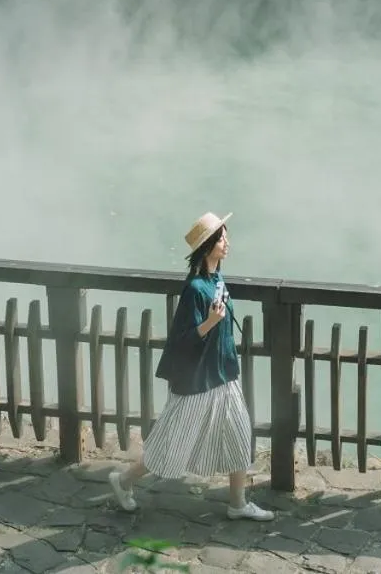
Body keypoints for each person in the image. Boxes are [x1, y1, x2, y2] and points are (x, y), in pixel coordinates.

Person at [107, 212, 274, 521]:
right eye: (222, 238)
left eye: (226, 236)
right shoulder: (195, 288)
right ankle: (124, 480)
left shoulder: (216, 279)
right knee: (172, 442)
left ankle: (237, 503)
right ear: (208, 245)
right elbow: (182, 339)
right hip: (199, 381)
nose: (227, 242)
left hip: (223, 373)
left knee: (239, 431)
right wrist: (210, 322)